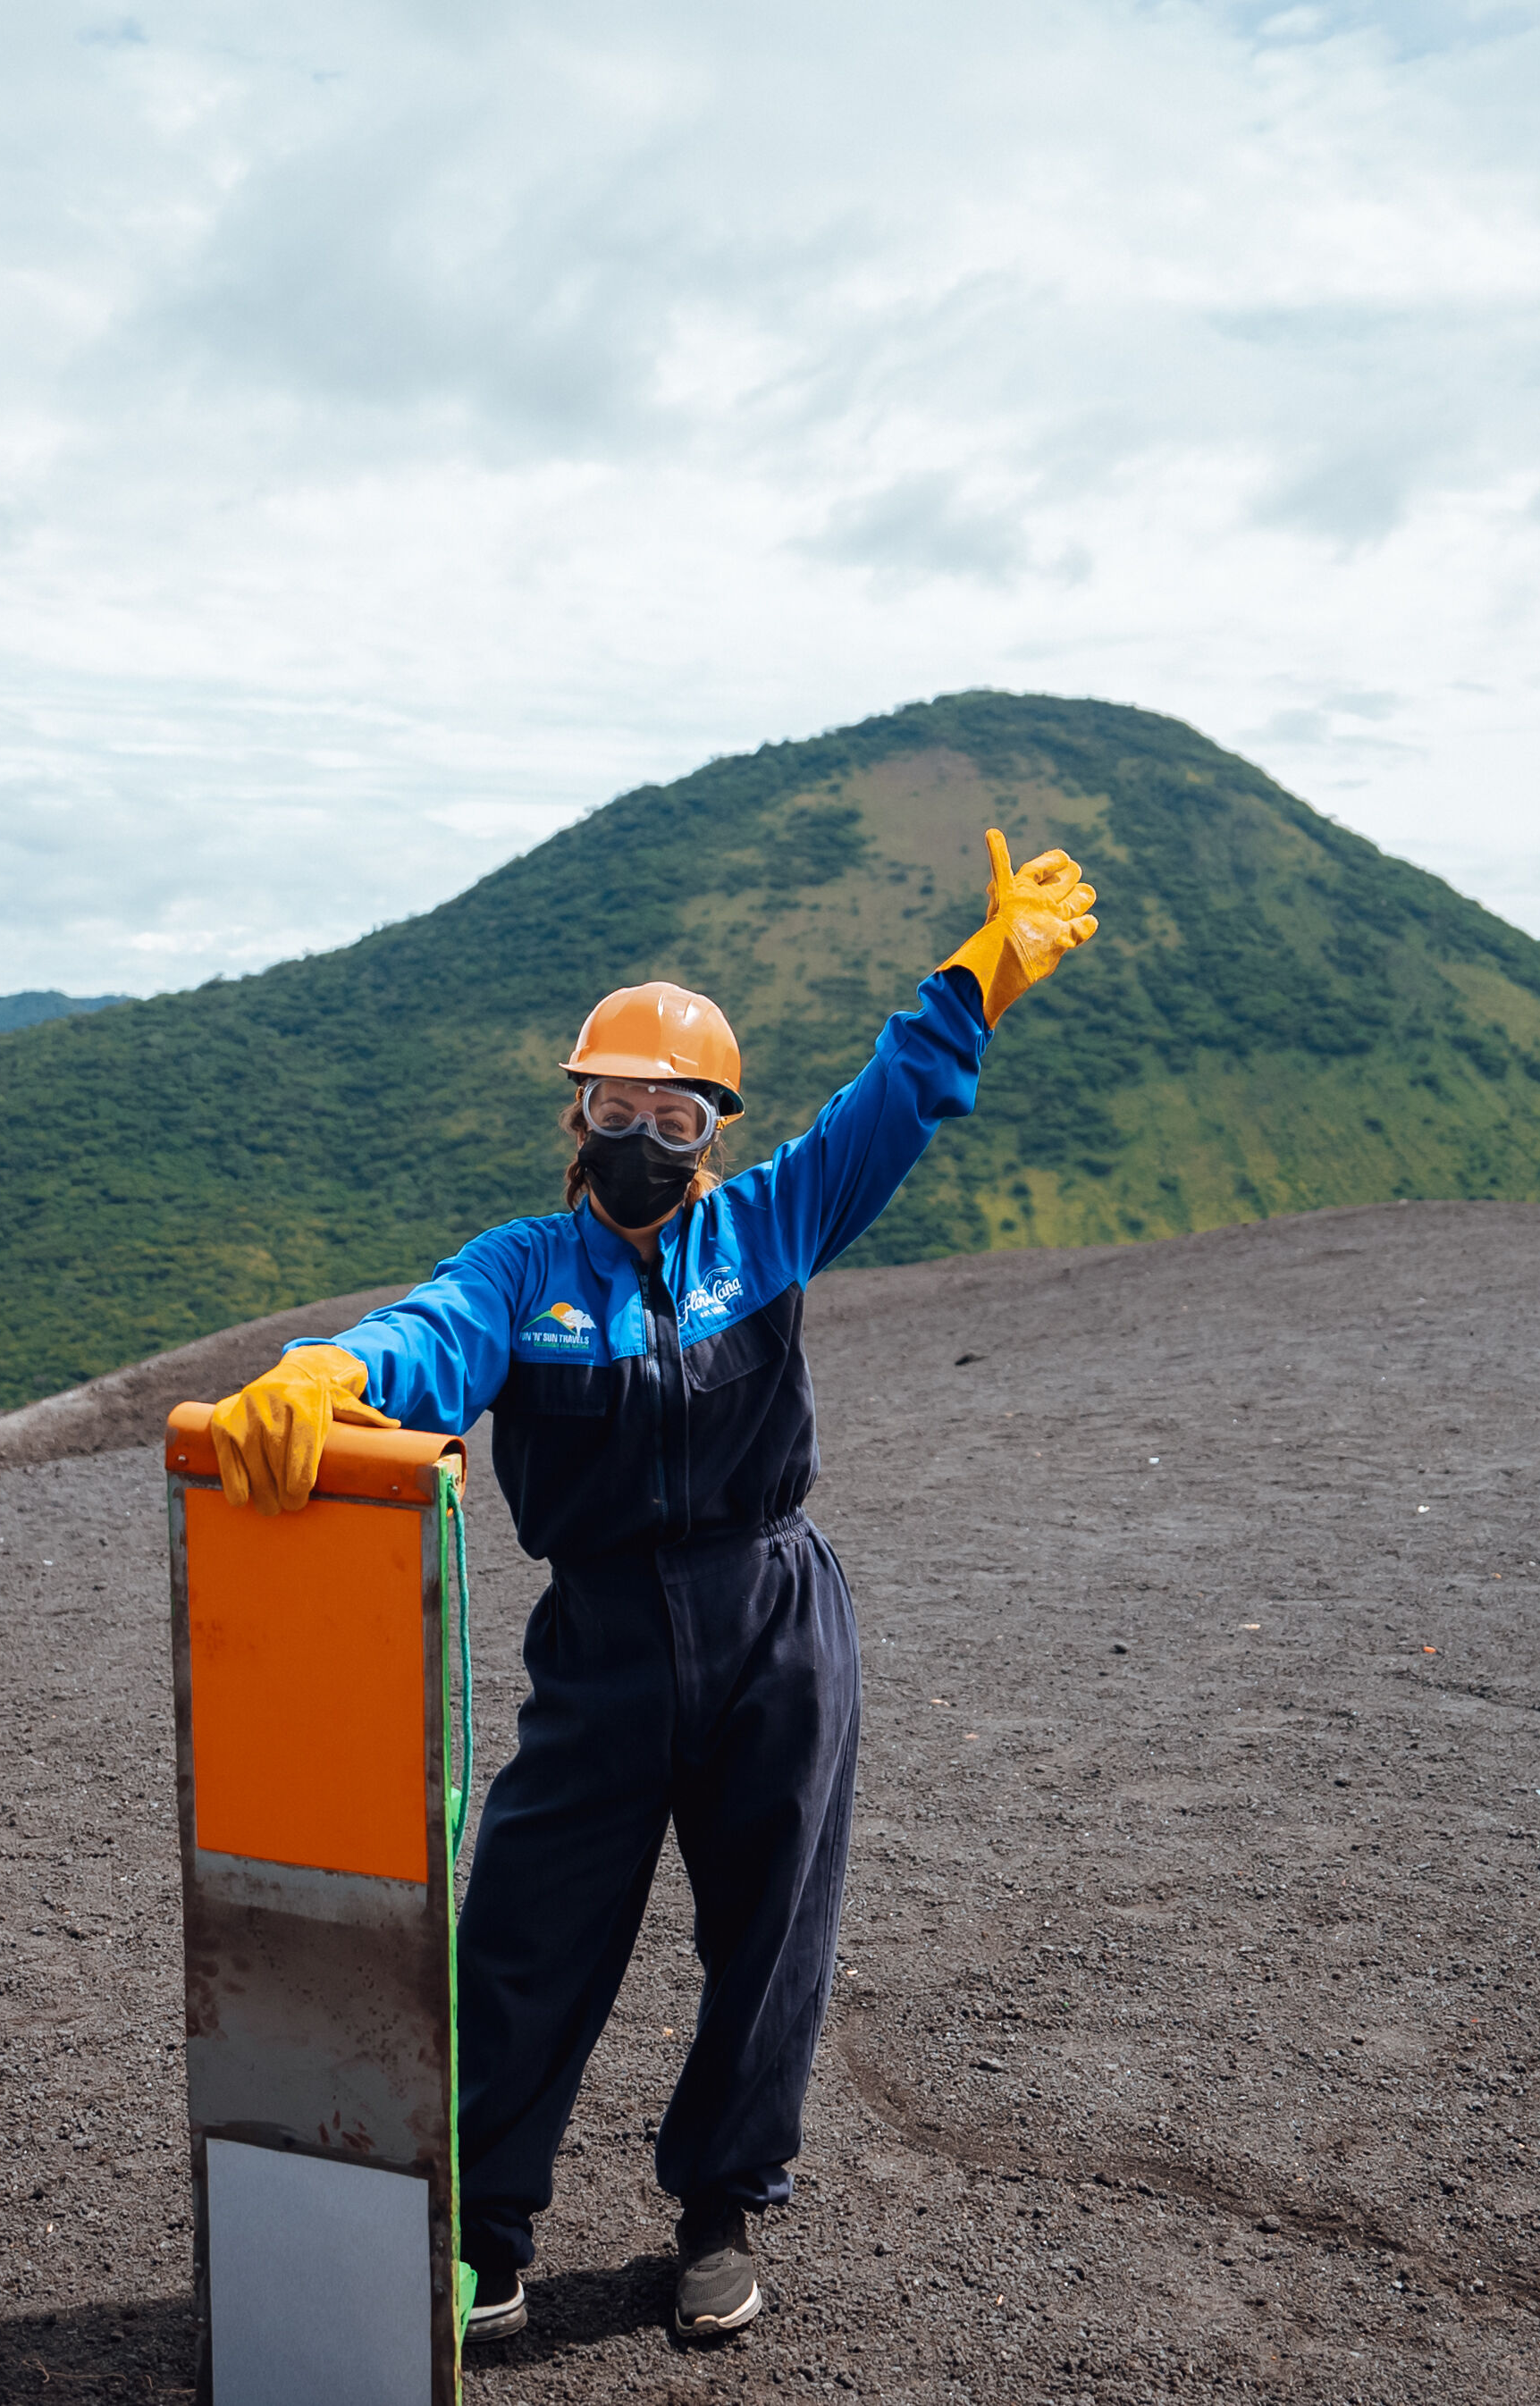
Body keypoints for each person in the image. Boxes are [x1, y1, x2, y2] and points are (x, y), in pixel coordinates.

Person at [206, 829, 1098, 2344]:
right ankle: (484, 2230)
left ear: (713, 1129)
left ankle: (719, 2213)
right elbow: (426, 1337)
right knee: (528, 1930)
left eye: (671, 1110)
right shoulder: (520, 1271)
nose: (640, 1130)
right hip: (606, 1635)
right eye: (612, 1104)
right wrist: (334, 1369)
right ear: (578, 1115)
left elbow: (893, 1110)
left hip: (773, 1618)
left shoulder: (771, 1225)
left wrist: (978, 978)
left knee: (769, 1931)